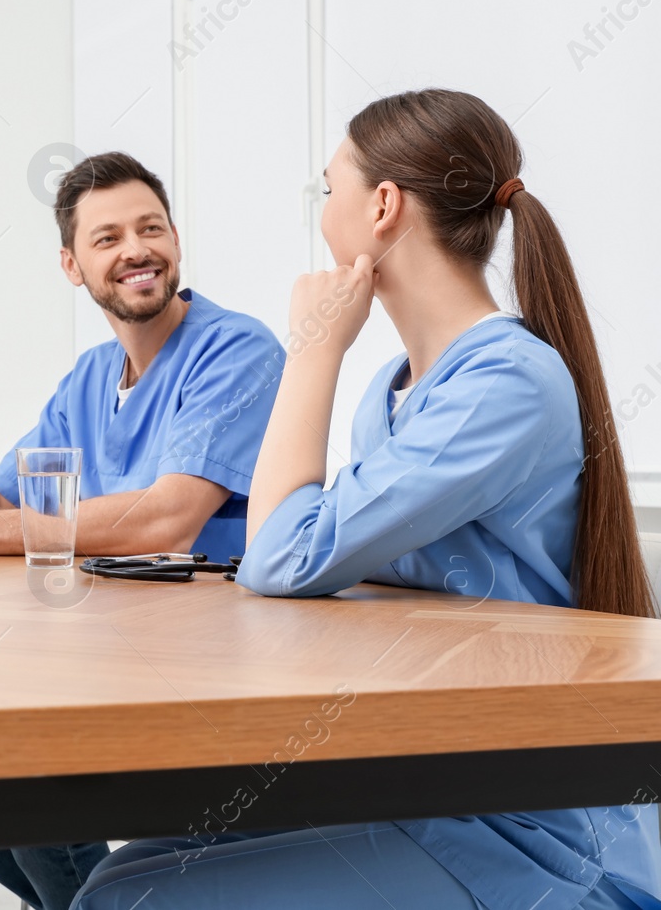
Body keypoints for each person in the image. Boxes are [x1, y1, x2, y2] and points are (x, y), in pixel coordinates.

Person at [75, 89, 661, 908]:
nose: (323, 212)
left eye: (328, 188)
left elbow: (282, 555)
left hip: (526, 830)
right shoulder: (395, 392)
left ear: (382, 205)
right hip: (420, 779)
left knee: (121, 901)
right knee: (118, 873)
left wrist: (314, 346)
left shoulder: (505, 385)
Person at [0, 151, 285, 563]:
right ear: (71, 265)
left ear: (176, 241)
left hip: (211, 623)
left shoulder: (237, 350)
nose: (135, 250)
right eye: (108, 238)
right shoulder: (90, 377)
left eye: (150, 229)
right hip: (106, 616)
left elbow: (168, 522)